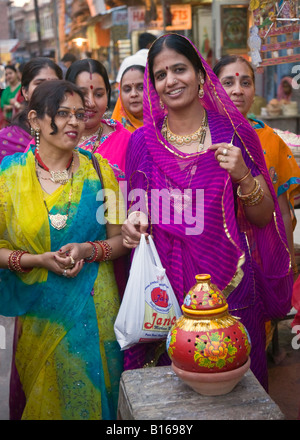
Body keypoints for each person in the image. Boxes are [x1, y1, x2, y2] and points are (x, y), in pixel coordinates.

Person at [121, 33, 293, 390]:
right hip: (164, 295)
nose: (171, 80)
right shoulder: (142, 142)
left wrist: (243, 176)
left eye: (179, 69)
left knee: (236, 395)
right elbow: (135, 212)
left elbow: (263, 218)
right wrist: (134, 223)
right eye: (161, 74)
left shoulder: (233, 132)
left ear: (200, 75)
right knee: (169, 397)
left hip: (230, 286)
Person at [0, 80, 127, 420]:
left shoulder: (102, 174)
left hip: (96, 310)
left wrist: (88, 249)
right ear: (34, 119)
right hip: (39, 314)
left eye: (78, 114)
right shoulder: (8, 177)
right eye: (61, 114)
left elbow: (120, 241)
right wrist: (35, 260)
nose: (74, 122)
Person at [213, 55, 300, 283]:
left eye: (245, 83)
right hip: (215, 258)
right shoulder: (202, 138)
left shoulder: (270, 139)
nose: (238, 90)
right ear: (212, 89)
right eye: (228, 83)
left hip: (262, 255)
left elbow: (282, 211)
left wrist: (288, 262)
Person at [66, 58, 131, 181]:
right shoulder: (48, 141)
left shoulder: (126, 141)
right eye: (82, 94)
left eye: (99, 94)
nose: (91, 103)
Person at [0, 57, 63, 164]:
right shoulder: (6, 139)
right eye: (39, 83)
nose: (47, 90)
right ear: (25, 92)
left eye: (54, 84)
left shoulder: (73, 129)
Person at [112, 64, 145, 133]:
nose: (133, 94)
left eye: (141, 88)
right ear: (120, 94)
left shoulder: (167, 126)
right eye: (127, 89)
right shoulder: (113, 132)